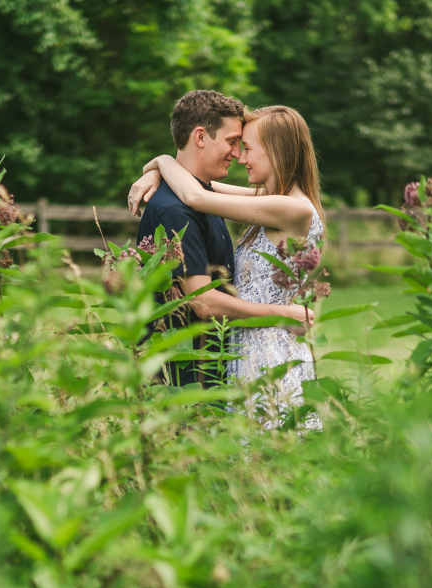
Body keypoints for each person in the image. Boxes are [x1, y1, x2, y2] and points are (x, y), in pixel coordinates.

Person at [129, 104, 324, 422]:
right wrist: (158, 168)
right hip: (244, 351)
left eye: (247, 148)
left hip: (270, 355)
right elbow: (197, 185)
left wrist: (162, 160)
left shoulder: (292, 209)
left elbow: (197, 198)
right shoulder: (267, 198)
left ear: (275, 151)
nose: (241, 157)